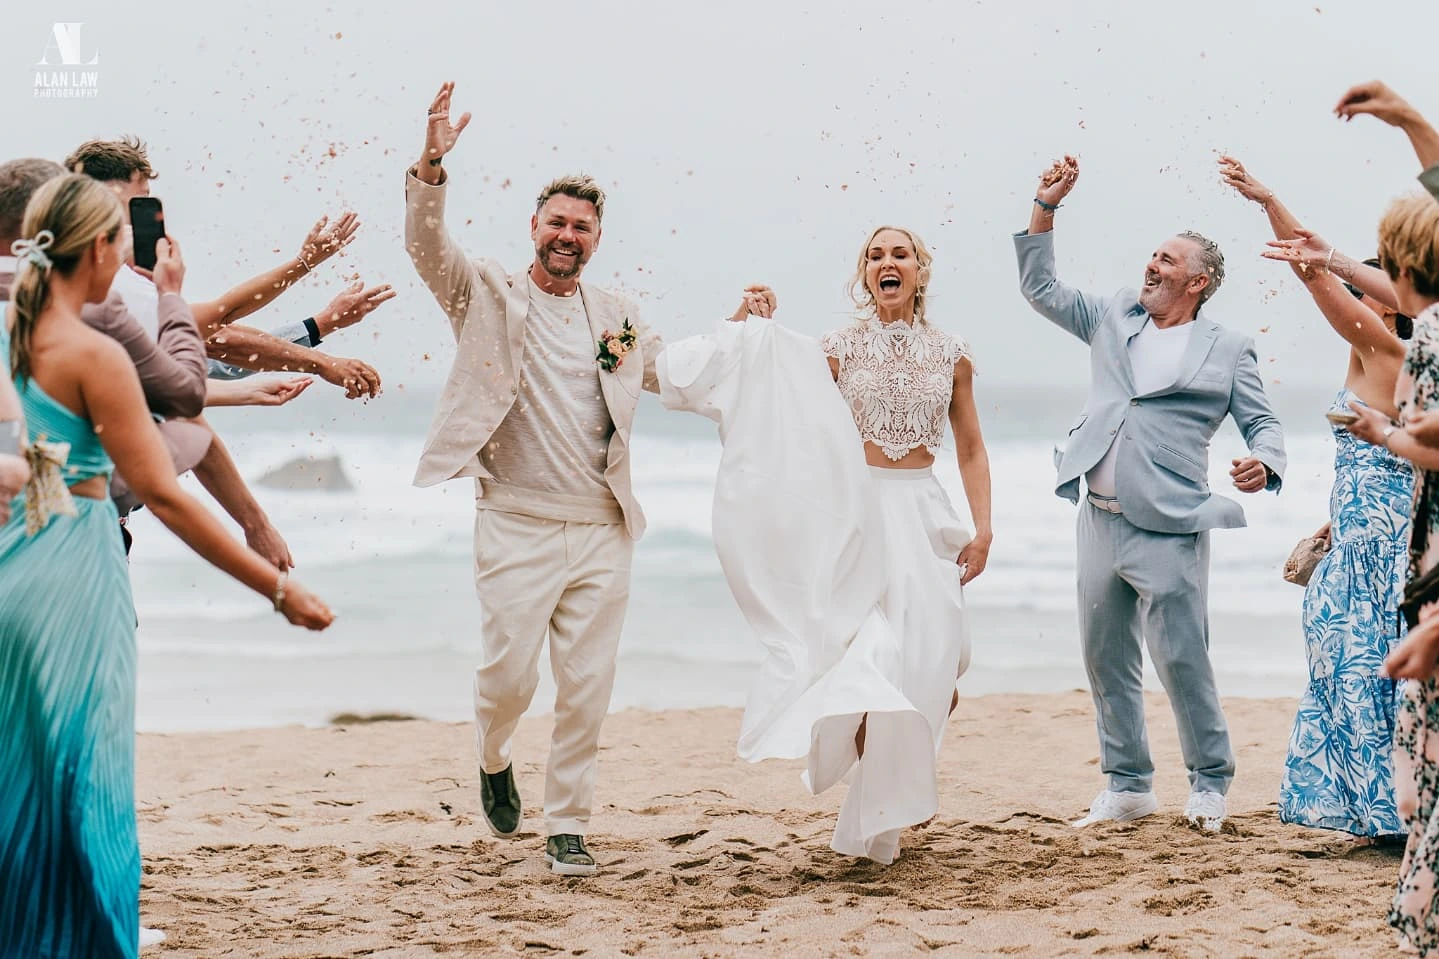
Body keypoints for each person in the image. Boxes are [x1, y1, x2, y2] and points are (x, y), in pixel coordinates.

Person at [0, 173, 333, 959]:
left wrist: (49, 491)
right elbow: (165, 495)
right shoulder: (92, 351)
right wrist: (280, 588)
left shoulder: (19, 339)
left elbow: (31, 460)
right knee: (89, 771)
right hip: (75, 574)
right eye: (120, 241)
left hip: (18, 559)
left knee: (25, 765)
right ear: (101, 248)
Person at [405, 81, 680, 876]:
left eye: (581, 226)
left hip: (603, 523)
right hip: (515, 519)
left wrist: (746, 337)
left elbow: (671, 372)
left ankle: (568, 824)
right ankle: (493, 753)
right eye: (556, 222)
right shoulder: (486, 291)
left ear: (597, 238)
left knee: (588, 686)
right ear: (534, 228)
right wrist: (430, 166)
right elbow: (427, 247)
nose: (567, 235)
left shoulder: (617, 312)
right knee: (506, 678)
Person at [662, 225, 990, 864]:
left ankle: (885, 805)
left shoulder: (953, 355)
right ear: (864, 274)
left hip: (925, 516)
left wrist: (984, 530)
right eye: (875, 256)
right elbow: (767, 384)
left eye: (900, 255)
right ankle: (872, 820)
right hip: (859, 516)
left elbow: (973, 449)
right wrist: (747, 320)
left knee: (934, 673)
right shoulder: (835, 350)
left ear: (920, 271)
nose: (887, 263)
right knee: (872, 665)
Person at [1015, 155, 1286, 833]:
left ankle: (1209, 783)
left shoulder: (1227, 348)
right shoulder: (1112, 314)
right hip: (1097, 516)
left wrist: (1263, 461)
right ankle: (1128, 783)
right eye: (1152, 256)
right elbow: (1040, 287)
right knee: (1104, 656)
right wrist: (1044, 207)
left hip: (1169, 523)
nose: (1152, 266)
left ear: (1196, 281)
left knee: (1181, 657)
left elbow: (1261, 422)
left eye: (1166, 260)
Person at [1222, 155, 1412, 840]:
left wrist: (1270, 201)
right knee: (1345, 675)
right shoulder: (1372, 356)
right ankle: (1378, 811)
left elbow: (1311, 273)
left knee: (1366, 677)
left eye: (1372, 286)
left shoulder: (1388, 354)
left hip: (1383, 557)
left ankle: (1392, 815)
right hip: (1358, 540)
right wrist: (1333, 520)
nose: (1358, 297)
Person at [0, 157, 299, 567]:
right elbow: (183, 398)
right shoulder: (101, 306)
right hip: (73, 542)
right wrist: (169, 292)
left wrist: (237, 390)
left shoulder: (49, 307)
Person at [64, 136, 385, 399]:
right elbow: (218, 335)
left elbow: (205, 355)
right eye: (139, 202)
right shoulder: (93, 279)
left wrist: (319, 324)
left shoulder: (109, 275)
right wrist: (321, 361)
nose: (147, 216)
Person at [1343, 192, 1439, 956]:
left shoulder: (1431, 335)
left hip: (1433, 566)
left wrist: (1389, 432)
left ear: (1401, 265)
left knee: (1422, 763)